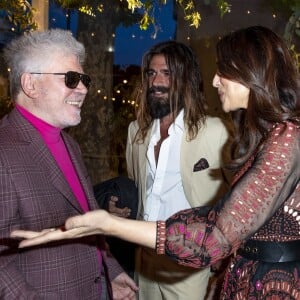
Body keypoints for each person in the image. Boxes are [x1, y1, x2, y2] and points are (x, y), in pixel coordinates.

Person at [11, 25, 300, 299]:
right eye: (151, 73)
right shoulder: (136, 134)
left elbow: (216, 234)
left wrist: (107, 225)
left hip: (255, 280)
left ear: (251, 73)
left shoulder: (284, 136)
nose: (214, 80)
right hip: (163, 263)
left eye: (223, 70)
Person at [1, 29, 137, 299]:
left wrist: (112, 271)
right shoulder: (3, 149)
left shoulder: (70, 144)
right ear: (30, 84)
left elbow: (87, 223)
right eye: (71, 79)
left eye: (83, 79)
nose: (83, 88)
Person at [124, 41, 231, 299]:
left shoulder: (216, 131)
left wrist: (223, 256)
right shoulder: (135, 133)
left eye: (167, 73)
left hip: (190, 268)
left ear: (186, 79)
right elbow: (137, 190)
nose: (156, 82)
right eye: (151, 73)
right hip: (145, 261)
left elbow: (235, 196)